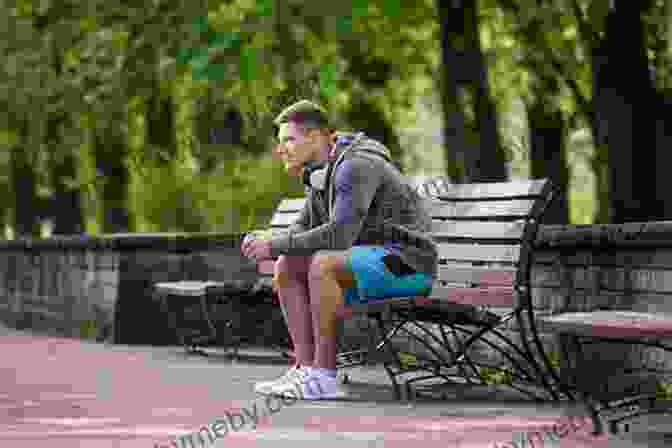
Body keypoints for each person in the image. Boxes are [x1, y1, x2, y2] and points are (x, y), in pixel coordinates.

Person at [241, 99, 438, 400]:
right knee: (287, 264)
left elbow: (339, 235)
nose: (281, 149)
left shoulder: (355, 166)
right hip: (370, 261)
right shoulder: (320, 171)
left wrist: (273, 245)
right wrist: (271, 240)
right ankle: (305, 369)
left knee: (324, 263)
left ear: (316, 137)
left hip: (407, 265)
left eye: (289, 140)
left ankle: (324, 376)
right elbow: (304, 225)